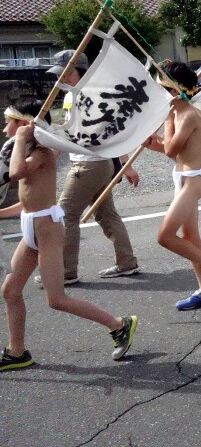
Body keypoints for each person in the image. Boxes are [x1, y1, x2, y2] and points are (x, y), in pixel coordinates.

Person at [1, 97, 136, 371]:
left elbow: (15, 173)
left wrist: (21, 136)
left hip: (47, 229)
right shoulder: (34, 151)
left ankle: (119, 325)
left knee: (57, 300)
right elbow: (27, 200)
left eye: (9, 124)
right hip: (32, 224)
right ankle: (17, 352)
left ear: (25, 125)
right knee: (10, 290)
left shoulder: (41, 154)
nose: (5, 131)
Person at [34, 49, 141, 288]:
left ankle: (66, 271)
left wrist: (126, 164)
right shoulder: (72, 94)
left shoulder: (90, 94)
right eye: (57, 73)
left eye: (63, 72)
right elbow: (71, 131)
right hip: (95, 163)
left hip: (89, 164)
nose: (58, 77)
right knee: (106, 214)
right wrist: (54, 151)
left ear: (78, 70)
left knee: (66, 215)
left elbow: (110, 130)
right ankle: (127, 263)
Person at [142, 61, 201, 311]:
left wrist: (167, 121)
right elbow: (174, 151)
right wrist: (153, 144)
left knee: (165, 236)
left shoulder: (188, 114)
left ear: (173, 91)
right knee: (189, 236)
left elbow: (170, 150)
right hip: (181, 178)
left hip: (194, 181)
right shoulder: (177, 112)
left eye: (161, 88)